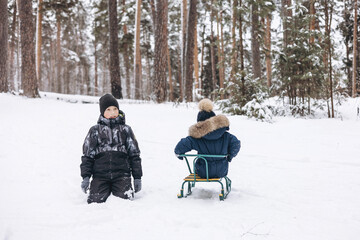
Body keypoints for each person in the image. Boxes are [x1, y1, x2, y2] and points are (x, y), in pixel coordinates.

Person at [80, 93, 143, 203]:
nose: (112, 112)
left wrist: (137, 177)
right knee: (95, 201)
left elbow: (134, 155)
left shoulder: (126, 130)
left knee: (125, 200)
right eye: (108, 109)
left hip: (122, 175)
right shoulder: (95, 131)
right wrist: (86, 177)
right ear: (102, 112)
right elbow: (87, 156)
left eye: (115, 109)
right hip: (100, 175)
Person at [174, 99, 240, 178]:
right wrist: (230, 157)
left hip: (203, 171)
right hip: (221, 171)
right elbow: (236, 144)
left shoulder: (196, 138)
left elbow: (180, 148)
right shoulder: (226, 136)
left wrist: (180, 155)